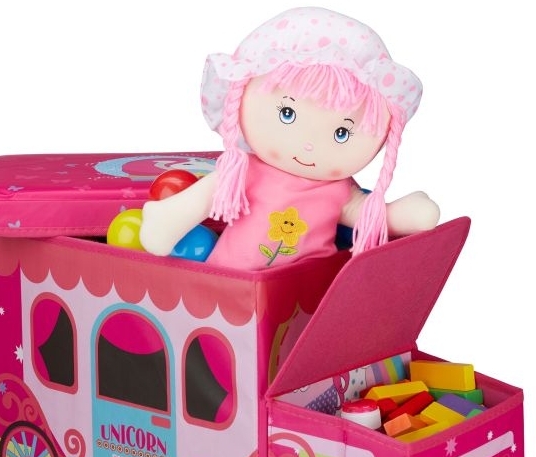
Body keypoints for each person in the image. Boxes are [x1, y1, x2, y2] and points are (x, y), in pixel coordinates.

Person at [140, 6, 440, 269]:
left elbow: (366, 214)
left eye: (341, 133)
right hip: (234, 284)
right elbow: (205, 198)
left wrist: (402, 215)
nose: (309, 145)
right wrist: (168, 220)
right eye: (287, 113)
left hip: (309, 288)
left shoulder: (339, 190)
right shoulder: (246, 170)